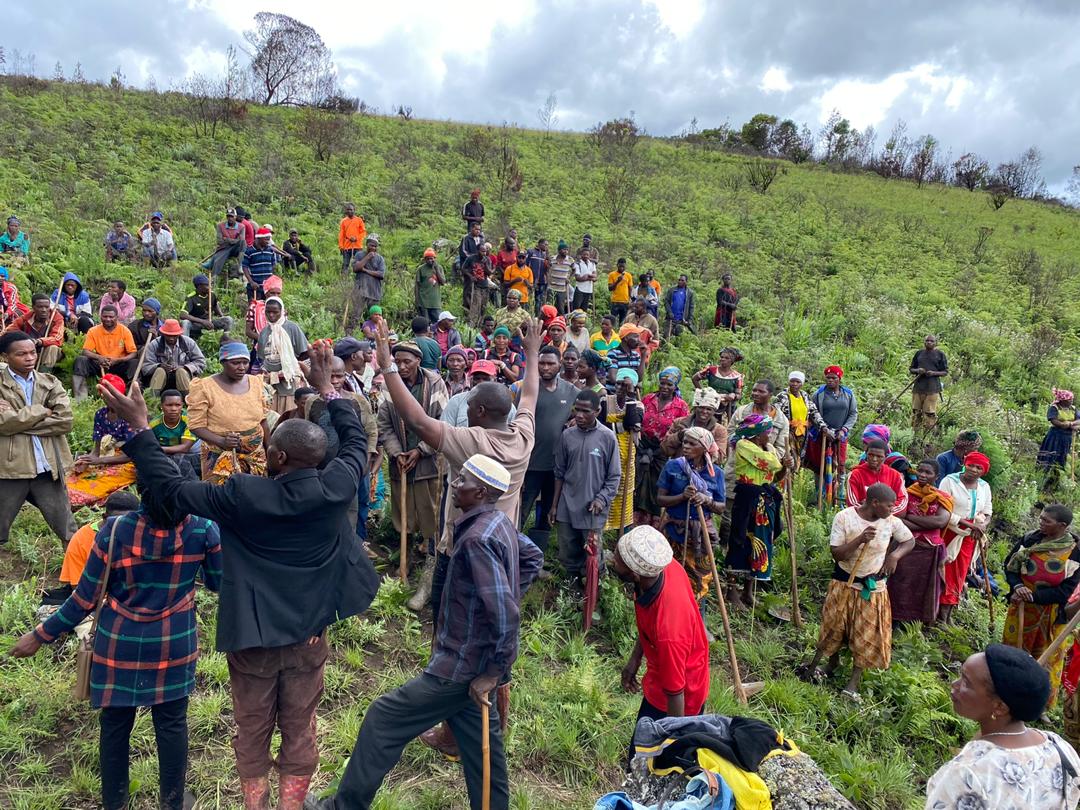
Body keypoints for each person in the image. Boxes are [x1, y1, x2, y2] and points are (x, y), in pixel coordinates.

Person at [92, 343, 381, 810]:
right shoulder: (339, 485)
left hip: (253, 639)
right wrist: (328, 390)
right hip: (309, 635)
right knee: (300, 727)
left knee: (252, 727)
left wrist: (142, 427)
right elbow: (353, 442)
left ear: (277, 458)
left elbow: (170, 488)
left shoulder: (244, 496)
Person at [309, 454, 542, 810]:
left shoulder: (477, 539)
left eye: (463, 480)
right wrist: (500, 597)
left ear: (481, 492)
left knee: (383, 718)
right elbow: (532, 557)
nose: (455, 484)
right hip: (474, 666)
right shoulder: (498, 522)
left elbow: (506, 615)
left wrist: (493, 673)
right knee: (484, 751)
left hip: (461, 668)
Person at [9, 487, 222, 810]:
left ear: (143, 493)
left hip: (119, 643)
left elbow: (84, 599)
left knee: (114, 726)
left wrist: (39, 635)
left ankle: (115, 802)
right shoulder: (203, 529)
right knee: (172, 725)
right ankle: (172, 801)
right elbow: (218, 582)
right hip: (174, 643)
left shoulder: (114, 530)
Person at [925, 645, 1080, 808]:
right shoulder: (1060, 749)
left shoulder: (966, 776)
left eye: (966, 683)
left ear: (1000, 707)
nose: (954, 684)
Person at [797, 483, 914, 698]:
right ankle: (831, 664)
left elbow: (909, 540)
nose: (892, 509)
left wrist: (894, 556)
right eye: (889, 505)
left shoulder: (891, 522)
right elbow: (837, 554)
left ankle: (852, 683)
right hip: (844, 583)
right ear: (874, 503)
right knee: (833, 628)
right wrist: (860, 539)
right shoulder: (844, 518)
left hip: (872, 589)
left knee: (865, 636)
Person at [614, 525, 711, 760]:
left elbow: (676, 694)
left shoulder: (669, 630)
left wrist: (670, 746)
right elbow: (649, 625)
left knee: (646, 760)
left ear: (634, 574)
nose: (613, 560)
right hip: (662, 678)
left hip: (678, 700)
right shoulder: (662, 568)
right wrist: (635, 659)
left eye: (618, 560)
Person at [377, 341, 448, 589]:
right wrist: (397, 453)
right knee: (402, 512)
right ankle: (404, 560)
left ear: (418, 360)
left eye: (407, 361)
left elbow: (443, 420)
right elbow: (383, 424)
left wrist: (421, 450)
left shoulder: (435, 383)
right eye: (398, 362)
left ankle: (431, 560)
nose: (402, 366)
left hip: (429, 461)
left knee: (431, 512)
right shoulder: (389, 384)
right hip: (401, 462)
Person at [0, 331, 77, 546]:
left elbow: (65, 421)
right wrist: (42, 410)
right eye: (21, 354)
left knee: (67, 530)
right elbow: (2, 423)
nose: (29, 358)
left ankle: (77, 568)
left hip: (47, 467)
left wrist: (16, 422)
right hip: (10, 469)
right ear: (5, 357)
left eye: (32, 352)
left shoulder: (50, 382)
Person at [1001, 504, 1079, 706]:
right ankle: (1006, 695)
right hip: (1021, 608)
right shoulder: (1031, 539)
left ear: (1062, 526)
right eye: (1041, 518)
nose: (1041, 522)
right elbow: (1010, 566)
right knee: (1013, 654)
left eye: (1047, 520)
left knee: (1046, 659)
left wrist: (1032, 596)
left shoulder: (1074, 553)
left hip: (1051, 615)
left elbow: (1064, 592)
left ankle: (1038, 706)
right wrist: (1018, 586)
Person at [551, 389, 621, 599]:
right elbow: (559, 473)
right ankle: (572, 589)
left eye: (585, 411)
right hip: (566, 504)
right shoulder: (567, 435)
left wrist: (601, 499)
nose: (579, 415)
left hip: (593, 508)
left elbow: (614, 476)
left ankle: (595, 592)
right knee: (567, 550)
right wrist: (554, 505)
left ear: (597, 411)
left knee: (592, 554)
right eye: (577, 410)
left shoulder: (607, 437)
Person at [656, 425, 725, 610]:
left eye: (692, 444)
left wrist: (706, 500)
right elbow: (660, 499)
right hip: (673, 532)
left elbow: (721, 507)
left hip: (700, 537)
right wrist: (682, 496)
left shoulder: (715, 473)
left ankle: (695, 618)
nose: (685, 446)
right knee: (667, 579)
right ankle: (668, 615)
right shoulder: (673, 466)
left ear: (704, 448)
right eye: (684, 442)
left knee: (698, 582)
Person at [519, 345, 577, 553]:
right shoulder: (528, 389)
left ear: (559, 365)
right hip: (530, 464)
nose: (545, 367)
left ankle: (536, 556)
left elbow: (586, 413)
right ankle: (510, 551)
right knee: (521, 510)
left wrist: (573, 422)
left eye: (550, 363)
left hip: (556, 467)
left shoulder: (571, 392)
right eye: (541, 363)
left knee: (547, 514)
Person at [187, 343, 271, 484]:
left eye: (245, 362)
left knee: (255, 492)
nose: (242, 367)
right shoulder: (204, 387)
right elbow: (196, 426)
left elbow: (263, 421)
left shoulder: (256, 383)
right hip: (219, 456)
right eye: (236, 363)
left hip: (255, 456)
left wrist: (270, 449)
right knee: (221, 493)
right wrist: (221, 441)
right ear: (223, 363)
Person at [726, 414, 785, 608]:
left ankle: (748, 591)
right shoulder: (744, 445)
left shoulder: (767, 448)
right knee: (740, 539)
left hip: (764, 499)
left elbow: (775, 475)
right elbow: (772, 463)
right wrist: (780, 461)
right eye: (768, 432)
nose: (770, 435)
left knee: (760, 541)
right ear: (758, 435)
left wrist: (786, 466)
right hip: (747, 499)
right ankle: (731, 590)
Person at [43, 490, 140, 605]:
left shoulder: (144, 534)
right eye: (116, 522)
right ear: (105, 518)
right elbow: (79, 589)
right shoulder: (82, 540)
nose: (121, 527)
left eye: (127, 522)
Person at [888, 459, 953, 626]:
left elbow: (940, 521)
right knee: (900, 584)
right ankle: (895, 620)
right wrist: (926, 524)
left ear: (936, 476)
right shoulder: (906, 493)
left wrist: (910, 518)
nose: (922, 475)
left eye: (928, 472)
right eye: (920, 471)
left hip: (930, 550)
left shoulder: (943, 498)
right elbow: (898, 519)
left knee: (923, 588)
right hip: (905, 545)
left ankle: (915, 624)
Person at [66, 374, 139, 507]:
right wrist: (86, 461)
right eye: (106, 395)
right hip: (106, 457)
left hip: (130, 463)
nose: (109, 399)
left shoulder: (129, 416)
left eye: (113, 395)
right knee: (74, 477)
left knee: (99, 482)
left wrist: (99, 461)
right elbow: (96, 451)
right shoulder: (101, 414)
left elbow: (130, 456)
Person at [938, 451, 994, 624]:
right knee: (944, 570)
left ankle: (949, 611)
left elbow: (988, 511)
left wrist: (982, 526)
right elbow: (942, 509)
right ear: (964, 464)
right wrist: (969, 524)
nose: (974, 470)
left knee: (960, 572)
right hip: (950, 532)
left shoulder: (984, 486)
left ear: (983, 471)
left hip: (970, 536)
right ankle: (937, 612)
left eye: (979, 468)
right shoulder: (950, 481)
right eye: (971, 465)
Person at [634, 368, 690, 527]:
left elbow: (681, 432)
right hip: (643, 446)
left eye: (669, 384)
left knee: (657, 484)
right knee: (639, 481)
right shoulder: (648, 399)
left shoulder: (680, 406)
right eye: (662, 383)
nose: (665, 387)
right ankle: (637, 519)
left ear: (675, 386)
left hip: (663, 451)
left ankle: (655, 522)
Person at [805, 365, 858, 505]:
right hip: (822, 435)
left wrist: (844, 430)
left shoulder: (848, 394)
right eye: (828, 378)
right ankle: (820, 496)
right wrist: (824, 429)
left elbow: (853, 413)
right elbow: (812, 414)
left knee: (840, 464)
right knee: (820, 465)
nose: (830, 380)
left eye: (834, 378)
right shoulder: (819, 394)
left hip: (841, 435)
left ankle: (839, 495)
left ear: (839, 379)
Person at [604, 369, 643, 533]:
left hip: (626, 455)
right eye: (618, 384)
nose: (621, 388)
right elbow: (603, 426)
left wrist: (631, 396)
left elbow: (632, 421)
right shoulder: (605, 401)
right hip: (607, 452)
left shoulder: (638, 404)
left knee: (624, 493)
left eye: (625, 385)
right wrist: (622, 426)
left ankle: (622, 535)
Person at [72, 305, 138, 400]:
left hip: (118, 364)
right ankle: (81, 399)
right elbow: (86, 351)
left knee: (134, 363)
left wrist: (118, 360)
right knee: (80, 360)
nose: (108, 319)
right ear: (100, 317)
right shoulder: (93, 331)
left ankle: (131, 395)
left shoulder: (125, 331)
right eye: (105, 316)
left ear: (117, 317)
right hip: (100, 365)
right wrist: (99, 358)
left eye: (111, 317)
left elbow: (133, 353)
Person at [257, 297, 310, 415]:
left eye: (275, 312)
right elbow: (262, 357)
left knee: (289, 413)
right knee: (272, 414)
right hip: (271, 383)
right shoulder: (264, 332)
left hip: (289, 381)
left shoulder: (292, 328)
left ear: (282, 311)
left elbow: (304, 353)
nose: (271, 315)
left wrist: (292, 368)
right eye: (268, 312)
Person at [727, 379, 789, 461]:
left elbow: (781, 449)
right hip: (738, 463)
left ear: (770, 395)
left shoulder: (780, 420)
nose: (756, 394)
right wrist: (744, 437)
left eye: (761, 391)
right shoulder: (741, 412)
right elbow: (729, 436)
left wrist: (765, 446)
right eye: (754, 390)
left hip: (764, 465)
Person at [661, 387, 729, 462]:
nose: (704, 411)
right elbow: (664, 448)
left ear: (714, 412)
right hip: (678, 465)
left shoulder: (719, 430)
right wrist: (679, 436)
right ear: (695, 408)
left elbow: (719, 458)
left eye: (709, 409)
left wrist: (704, 443)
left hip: (704, 468)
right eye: (701, 408)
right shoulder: (679, 423)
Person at [142, 319, 206, 397]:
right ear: (163, 334)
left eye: (174, 336)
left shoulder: (189, 342)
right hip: (162, 379)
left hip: (184, 378)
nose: (171, 338)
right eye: (168, 336)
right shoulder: (154, 344)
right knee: (160, 371)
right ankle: (153, 399)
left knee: (181, 372)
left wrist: (185, 367)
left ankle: (188, 399)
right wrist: (159, 365)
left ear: (179, 334)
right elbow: (146, 367)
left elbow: (201, 362)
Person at [4, 293, 64, 372]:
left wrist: (39, 341)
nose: (44, 310)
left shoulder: (56, 318)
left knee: (52, 348)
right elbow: (9, 331)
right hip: (29, 351)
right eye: (40, 307)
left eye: (47, 307)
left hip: (48, 353)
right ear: (33, 307)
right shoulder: (26, 318)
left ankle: (44, 374)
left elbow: (57, 339)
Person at [846, 439, 909, 514]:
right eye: (871, 455)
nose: (874, 459)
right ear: (866, 454)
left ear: (885, 457)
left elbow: (903, 501)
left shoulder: (895, 476)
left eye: (879, 456)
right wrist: (878, 512)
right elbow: (852, 503)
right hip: (862, 518)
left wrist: (881, 512)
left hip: (888, 517)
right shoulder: (855, 474)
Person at [773, 371, 823, 464]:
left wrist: (823, 426)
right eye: (792, 381)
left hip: (802, 433)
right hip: (787, 433)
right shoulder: (782, 396)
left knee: (799, 457)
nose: (795, 384)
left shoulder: (805, 396)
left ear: (802, 384)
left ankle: (795, 472)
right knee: (788, 457)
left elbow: (814, 412)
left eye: (798, 382)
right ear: (789, 382)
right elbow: (775, 412)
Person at [1038, 389, 1079, 491]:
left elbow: (1079, 420)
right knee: (1049, 456)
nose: (1071, 401)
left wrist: (1071, 424)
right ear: (1063, 400)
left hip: (1067, 438)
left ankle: (1054, 483)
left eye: (1072, 399)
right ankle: (1041, 481)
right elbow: (1055, 422)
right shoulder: (1054, 408)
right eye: (1069, 399)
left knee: (1061, 459)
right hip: (1054, 436)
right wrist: (1068, 424)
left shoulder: (1073, 409)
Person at [692, 347, 744, 422]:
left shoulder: (737, 377)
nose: (723, 359)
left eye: (726, 358)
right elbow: (695, 379)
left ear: (732, 361)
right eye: (722, 357)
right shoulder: (711, 370)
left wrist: (733, 396)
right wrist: (703, 393)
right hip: (709, 404)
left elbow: (739, 395)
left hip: (726, 408)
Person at [909, 334, 948, 433]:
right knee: (916, 412)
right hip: (918, 387)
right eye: (927, 341)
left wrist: (933, 373)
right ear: (924, 342)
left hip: (932, 388)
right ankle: (915, 434)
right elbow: (911, 369)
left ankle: (929, 435)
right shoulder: (919, 353)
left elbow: (945, 372)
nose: (929, 342)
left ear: (935, 343)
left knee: (929, 414)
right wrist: (918, 370)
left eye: (931, 341)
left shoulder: (940, 354)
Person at [180, 274, 234, 339]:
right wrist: (203, 322)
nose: (210, 287)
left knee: (228, 319)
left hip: (210, 323)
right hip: (196, 324)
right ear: (199, 286)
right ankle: (185, 343)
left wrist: (221, 316)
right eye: (207, 285)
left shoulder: (212, 295)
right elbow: (183, 315)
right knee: (185, 322)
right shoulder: (191, 297)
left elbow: (215, 306)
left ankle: (227, 340)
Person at [205, 207, 247, 278]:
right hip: (224, 248)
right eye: (228, 216)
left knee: (243, 242)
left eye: (232, 216)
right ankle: (214, 278)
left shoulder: (241, 227)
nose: (230, 218)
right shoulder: (220, 226)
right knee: (217, 261)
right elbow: (220, 241)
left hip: (235, 248)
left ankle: (240, 266)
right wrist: (234, 240)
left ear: (235, 217)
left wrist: (226, 239)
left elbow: (241, 240)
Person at [242, 227, 279, 301]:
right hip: (255, 287)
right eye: (266, 239)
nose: (268, 242)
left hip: (268, 288)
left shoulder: (270, 250)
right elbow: (244, 267)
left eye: (269, 239)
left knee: (267, 306)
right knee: (254, 306)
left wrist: (271, 281)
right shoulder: (249, 251)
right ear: (259, 239)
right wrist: (251, 282)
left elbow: (273, 265)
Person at [463, 241, 495, 326]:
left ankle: (480, 324)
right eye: (482, 251)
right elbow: (463, 269)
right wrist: (470, 276)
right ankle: (471, 324)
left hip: (484, 285)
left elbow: (489, 273)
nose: (484, 253)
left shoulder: (487, 259)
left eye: (485, 251)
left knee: (483, 306)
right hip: (475, 286)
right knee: (475, 305)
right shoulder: (471, 258)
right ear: (477, 251)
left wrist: (485, 264)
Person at [415, 247, 446, 323]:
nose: (430, 260)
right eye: (427, 259)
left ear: (434, 259)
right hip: (423, 301)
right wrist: (417, 301)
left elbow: (443, 282)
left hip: (435, 302)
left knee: (438, 322)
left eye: (431, 258)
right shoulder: (420, 269)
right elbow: (417, 286)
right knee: (425, 323)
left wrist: (436, 269)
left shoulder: (439, 268)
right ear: (425, 259)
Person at [547, 241, 573, 314]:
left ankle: (561, 320)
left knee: (561, 309)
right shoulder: (552, 259)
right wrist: (548, 279)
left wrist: (569, 278)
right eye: (564, 249)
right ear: (559, 250)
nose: (566, 251)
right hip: (552, 288)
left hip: (562, 289)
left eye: (567, 250)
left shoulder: (570, 260)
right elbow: (547, 269)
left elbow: (574, 269)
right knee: (550, 308)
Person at [338, 202, 367, 271]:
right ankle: (344, 277)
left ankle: (359, 276)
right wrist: (341, 246)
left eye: (351, 209)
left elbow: (363, 232)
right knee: (345, 264)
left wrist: (356, 238)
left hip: (358, 246)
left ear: (354, 210)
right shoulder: (343, 221)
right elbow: (341, 235)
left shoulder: (359, 220)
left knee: (358, 263)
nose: (349, 211)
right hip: (346, 247)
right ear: (346, 211)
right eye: (348, 210)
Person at [525, 239, 549, 313]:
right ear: (539, 244)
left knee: (539, 300)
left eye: (547, 245)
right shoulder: (531, 252)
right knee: (529, 299)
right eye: (545, 244)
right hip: (531, 281)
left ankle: (537, 315)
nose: (546, 246)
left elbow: (547, 268)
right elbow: (525, 265)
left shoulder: (545, 255)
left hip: (541, 281)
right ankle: (528, 314)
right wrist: (527, 279)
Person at [572, 246, 598, 312]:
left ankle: (583, 319)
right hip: (580, 289)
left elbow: (595, 277)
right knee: (576, 309)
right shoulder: (577, 264)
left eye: (587, 255)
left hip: (589, 290)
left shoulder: (592, 264)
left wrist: (587, 276)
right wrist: (590, 277)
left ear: (589, 255)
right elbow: (578, 278)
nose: (586, 256)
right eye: (584, 254)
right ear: (581, 255)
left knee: (584, 310)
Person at [607, 258, 633, 323]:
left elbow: (630, 288)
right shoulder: (612, 274)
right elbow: (610, 288)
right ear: (617, 265)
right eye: (620, 266)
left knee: (623, 321)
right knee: (612, 320)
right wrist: (617, 281)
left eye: (623, 266)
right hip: (615, 301)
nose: (622, 268)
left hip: (625, 302)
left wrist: (630, 299)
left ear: (625, 266)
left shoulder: (628, 275)